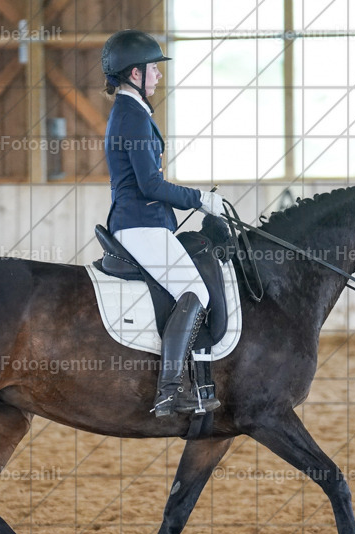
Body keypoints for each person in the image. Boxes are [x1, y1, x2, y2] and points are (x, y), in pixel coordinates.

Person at [101, 29, 225, 418]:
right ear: (134, 74)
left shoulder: (132, 112)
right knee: (197, 293)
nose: (158, 75)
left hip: (145, 220)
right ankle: (169, 392)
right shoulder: (131, 116)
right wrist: (200, 200)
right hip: (141, 224)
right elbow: (150, 184)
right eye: (153, 69)